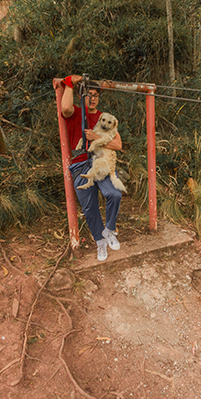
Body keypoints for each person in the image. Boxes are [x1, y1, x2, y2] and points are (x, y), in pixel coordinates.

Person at [60, 74, 122, 262]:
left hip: (100, 161)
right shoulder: (76, 113)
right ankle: (100, 242)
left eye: (96, 95)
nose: (93, 98)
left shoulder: (105, 118)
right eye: (89, 94)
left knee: (114, 194)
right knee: (90, 208)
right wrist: (69, 82)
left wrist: (97, 138)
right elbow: (65, 107)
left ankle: (109, 229)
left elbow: (118, 145)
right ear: (82, 95)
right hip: (80, 164)